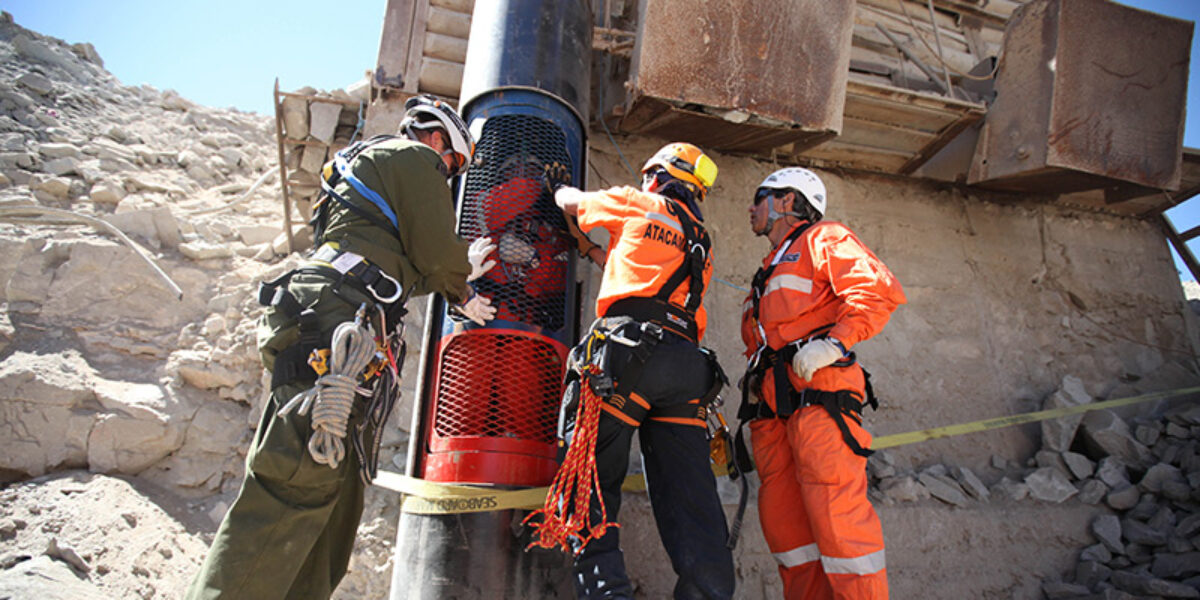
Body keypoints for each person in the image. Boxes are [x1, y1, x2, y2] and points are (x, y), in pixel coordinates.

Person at [185, 94, 497, 600]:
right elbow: (437, 253)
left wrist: (454, 279)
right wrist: (464, 281)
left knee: (334, 499)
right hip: (338, 326)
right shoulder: (415, 157)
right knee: (298, 484)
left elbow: (392, 264)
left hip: (333, 321)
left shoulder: (358, 175)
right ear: (440, 140)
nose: (449, 176)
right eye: (454, 166)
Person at [535, 142, 735, 599]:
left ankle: (607, 592)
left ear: (656, 177)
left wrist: (558, 189)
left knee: (591, 479)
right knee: (690, 498)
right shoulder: (700, 236)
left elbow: (574, 202)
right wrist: (591, 251)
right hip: (685, 368)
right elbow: (646, 272)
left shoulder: (639, 201)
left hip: (628, 359)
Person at [738, 167, 905, 599]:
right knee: (788, 534)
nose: (751, 208)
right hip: (774, 411)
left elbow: (877, 292)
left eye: (760, 197)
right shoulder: (769, 269)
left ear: (788, 201)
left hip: (820, 397)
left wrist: (834, 345)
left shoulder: (823, 238)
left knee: (839, 522)